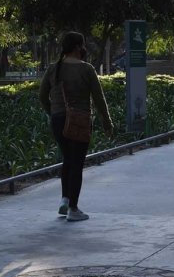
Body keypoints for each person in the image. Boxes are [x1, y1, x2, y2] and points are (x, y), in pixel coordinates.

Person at [40, 32, 113, 221]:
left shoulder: (53, 69)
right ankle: (73, 208)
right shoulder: (86, 69)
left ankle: (64, 199)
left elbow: (42, 96)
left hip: (58, 121)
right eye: (82, 45)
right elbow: (99, 98)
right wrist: (107, 121)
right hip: (79, 121)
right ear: (76, 48)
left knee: (67, 159)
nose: (84, 48)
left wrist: (53, 112)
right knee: (77, 163)